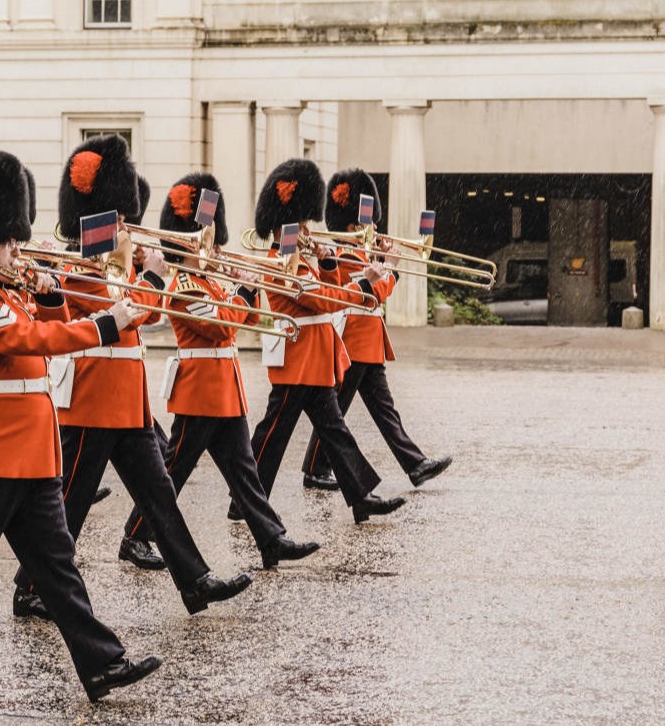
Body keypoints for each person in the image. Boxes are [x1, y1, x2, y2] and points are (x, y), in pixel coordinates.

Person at [0, 148, 160, 705]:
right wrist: (107, 325)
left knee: (57, 569)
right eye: (11, 241)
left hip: (31, 455)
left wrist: (53, 295)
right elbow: (34, 342)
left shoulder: (6, 295)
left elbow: (49, 322)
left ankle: (100, 664)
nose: (19, 249)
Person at [10, 134, 251, 619]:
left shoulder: (115, 262)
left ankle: (195, 581)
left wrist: (146, 275)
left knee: (159, 493)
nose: (125, 224)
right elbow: (115, 313)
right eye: (117, 214)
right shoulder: (76, 265)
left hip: (127, 401)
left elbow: (147, 317)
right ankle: (31, 587)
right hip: (94, 397)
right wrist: (153, 279)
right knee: (69, 503)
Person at [118, 172, 320, 571]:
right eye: (200, 235)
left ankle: (271, 539)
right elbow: (221, 326)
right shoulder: (186, 286)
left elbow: (226, 318)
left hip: (223, 391)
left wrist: (238, 288)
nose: (208, 242)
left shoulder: (205, 280)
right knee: (172, 471)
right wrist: (244, 291)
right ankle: (135, 535)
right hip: (200, 393)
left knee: (243, 471)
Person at [244, 159, 404, 524]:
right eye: (300, 223)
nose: (306, 230)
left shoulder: (299, 259)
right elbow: (322, 301)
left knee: (334, 431)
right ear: (286, 224)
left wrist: (329, 264)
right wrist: (364, 282)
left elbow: (326, 292)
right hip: (296, 359)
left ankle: (361, 495)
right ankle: (245, 498)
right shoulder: (282, 260)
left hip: (314, 358)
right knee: (272, 436)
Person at [300, 169, 451, 491]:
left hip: (368, 342)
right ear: (353, 225)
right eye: (368, 222)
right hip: (353, 340)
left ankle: (415, 464)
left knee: (385, 412)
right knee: (335, 412)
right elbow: (372, 295)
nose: (375, 227)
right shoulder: (345, 254)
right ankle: (314, 469)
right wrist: (392, 269)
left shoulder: (359, 252)